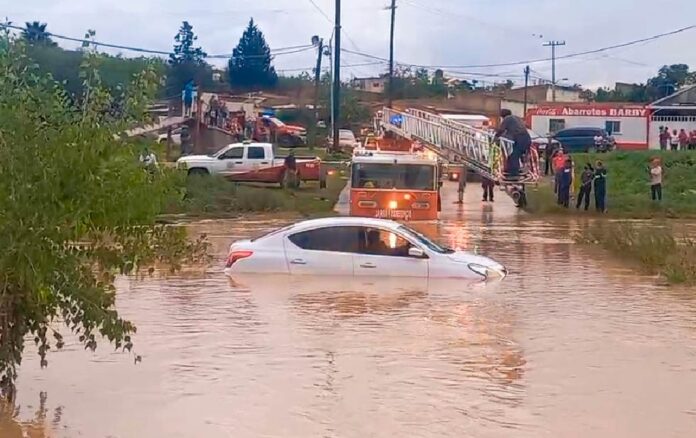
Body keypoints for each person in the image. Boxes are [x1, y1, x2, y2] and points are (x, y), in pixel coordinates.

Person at [494, 109, 532, 179]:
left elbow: (501, 130)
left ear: (502, 116)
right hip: (526, 138)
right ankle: (515, 171)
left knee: (513, 156)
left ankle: (514, 175)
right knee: (515, 155)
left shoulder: (507, 119)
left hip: (520, 139)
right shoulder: (516, 118)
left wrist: (495, 137)